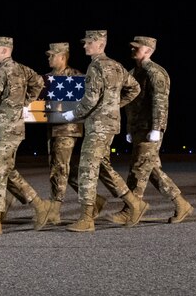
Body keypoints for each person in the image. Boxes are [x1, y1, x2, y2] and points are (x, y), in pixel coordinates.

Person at [61, 30, 143, 232]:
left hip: (98, 125)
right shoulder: (117, 66)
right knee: (103, 167)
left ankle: (86, 218)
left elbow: (90, 99)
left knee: (87, 167)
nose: (84, 46)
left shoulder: (96, 66)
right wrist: (114, 106)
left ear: (100, 44)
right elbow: (135, 88)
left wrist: (74, 115)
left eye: (89, 42)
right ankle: (135, 203)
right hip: (110, 124)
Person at [0, 37, 51, 235]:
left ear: (5, 50)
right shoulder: (23, 69)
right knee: (7, 170)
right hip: (14, 127)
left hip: (2, 128)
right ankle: (40, 205)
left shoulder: (0, 71)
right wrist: (23, 102)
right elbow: (38, 82)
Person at [111, 36, 193, 224]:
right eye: (132, 46)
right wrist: (130, 129)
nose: (132, 49)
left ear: (148, 51)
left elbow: (160, 102)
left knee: (139, 168)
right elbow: (130, 104)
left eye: (136, 47)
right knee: (151, 169)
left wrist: (157, 127)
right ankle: (182, 204)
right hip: (138, 127)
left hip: (150, 128)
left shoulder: (155, 72)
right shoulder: (133, 73)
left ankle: (130, 209)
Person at [43, 42, 107, 225]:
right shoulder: (46, 78)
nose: (49, 58)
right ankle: (96, 201)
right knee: (65, 170)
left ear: (62, 56)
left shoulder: (77, 78)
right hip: (52, 128)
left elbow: (87, 100)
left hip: (68, 128)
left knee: (59, 168)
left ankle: (55, 210)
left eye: (52, 55)